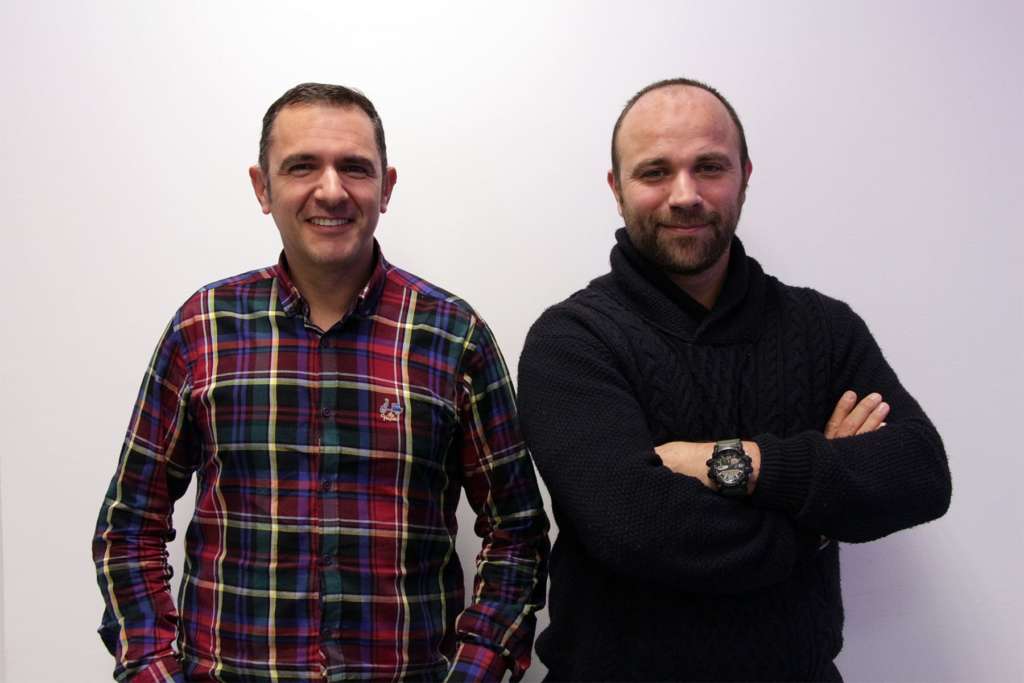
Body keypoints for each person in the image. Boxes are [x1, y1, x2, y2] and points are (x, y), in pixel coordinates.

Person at [93, 82, 549, 683]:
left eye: (354, 168)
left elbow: (516, 534)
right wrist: (152, 667)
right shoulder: (202, 329)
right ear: (263, 187)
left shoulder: (454, 336)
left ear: (386, 187)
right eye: (302, 166)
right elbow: (130, 526)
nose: (331, 190)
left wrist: (475, 671)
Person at [517, 78, 951, 682]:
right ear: (616, 190)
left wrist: (739, 462)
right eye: (655, 172)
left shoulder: (824, 328)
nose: (685, 195)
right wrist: (816, 521)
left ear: (744, 175)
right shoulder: (572, 341)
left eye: (709, 167)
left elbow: (920, 474)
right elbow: (638, 530)